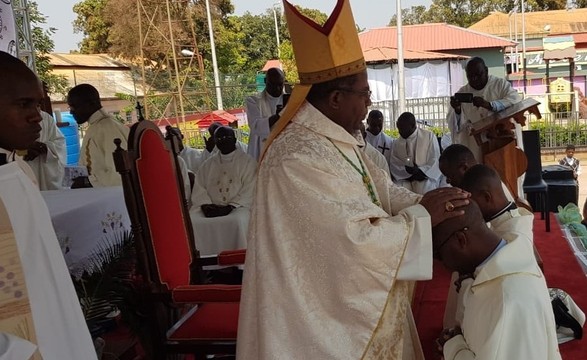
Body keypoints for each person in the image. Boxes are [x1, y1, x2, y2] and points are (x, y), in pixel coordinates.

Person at [236, 1, 470, 359]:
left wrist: (426, 203)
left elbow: (380, 190)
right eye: (365, 95)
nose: (369, 104)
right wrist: (423, 218)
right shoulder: (297, 156)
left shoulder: (336, 138)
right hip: (317, 322)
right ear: (334, 98)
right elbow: (353, 242)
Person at [0, 51, 98, 359]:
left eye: (39, 104)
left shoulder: (16, 172)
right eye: (24, 104)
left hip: (54, 327)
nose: (36, 116)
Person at [433, 200, 560, 360]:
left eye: (439, 254)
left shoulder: (506, 299)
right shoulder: (508, 260)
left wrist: (453, 347)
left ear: (461, 240)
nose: (443, 265)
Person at [443, 163, 535, 329]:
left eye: (471, 202)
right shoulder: (501, 218)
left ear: (486, 197)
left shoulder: (516, 231)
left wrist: (472, 275)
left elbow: (504, 271)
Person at [190, 126, 256, 255]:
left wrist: (230, 206)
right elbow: (200, 187)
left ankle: (238, 263)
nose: (223, 141)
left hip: (239, 207)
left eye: (227, 137)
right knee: (193, 221)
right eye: (219, 138)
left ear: (235, 139)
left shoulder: (248, 162)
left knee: (237, 221)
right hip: (211, 208)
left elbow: (250, 188)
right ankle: (205, 263)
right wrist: (206, 205)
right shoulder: (207, 165)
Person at [446, 57, 521, 162]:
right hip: (476, 146)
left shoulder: (500, 85)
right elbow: (456, 126)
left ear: (486, 70)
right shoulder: (463, 92)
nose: (474, 79)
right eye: (470, 76)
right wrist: (458, 110)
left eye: (478, 75)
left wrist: (489, 105)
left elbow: (516, 100)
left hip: (501, 140)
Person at [67, 84, 129, 188]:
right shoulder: (96, 126)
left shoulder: (107, 128)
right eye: (70, 107)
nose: (71, 111)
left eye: (74, 106)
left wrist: (87, 181)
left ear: (91, 104)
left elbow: (118, 173)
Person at [389, 112, 441, 194]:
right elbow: (394, 163)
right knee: (398, 193)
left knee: (425, 192)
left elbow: (435, 159)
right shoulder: (396, 142)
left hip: (424, 177)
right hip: (404, 178)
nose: (399, 132)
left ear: (413, 125)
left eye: (402, 129)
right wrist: (405, 171)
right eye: (399, 128)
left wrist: (421, 171)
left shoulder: (429, 136)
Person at [245, 67, 285, 160]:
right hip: (260, 148)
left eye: (280, 84)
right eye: (272, 84)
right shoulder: (253, 101)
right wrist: (278, 116)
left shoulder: (290, 100)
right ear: (265, 81)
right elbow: (256, 125)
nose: (277, 88)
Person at [23, 110, 66, 190]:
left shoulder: (46, 117)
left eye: (38, 104)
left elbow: (59, 143)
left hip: (44, 170)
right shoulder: (8, 117)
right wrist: (22, 150)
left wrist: (44, 147)